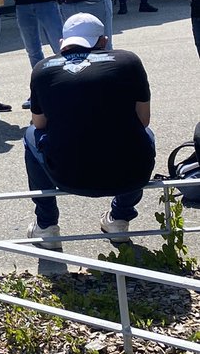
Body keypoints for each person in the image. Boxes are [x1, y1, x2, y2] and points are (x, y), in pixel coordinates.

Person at [23, 13, 154, 250]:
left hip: (67, 174)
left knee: (30, 135)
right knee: (147, 135)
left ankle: (47, 224)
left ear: (64, 41)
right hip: (128, 173)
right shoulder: (129, 61)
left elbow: (39, 124)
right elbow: (143, 120)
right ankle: (120, 218)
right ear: (103, 41)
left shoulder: (42, 69)